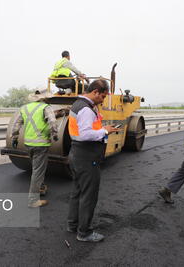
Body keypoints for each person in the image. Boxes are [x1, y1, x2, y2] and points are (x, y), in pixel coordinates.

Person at [66, 79, 118, 242]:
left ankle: (72, 225)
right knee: (89, 196)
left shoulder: (78, 104)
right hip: (86, 157)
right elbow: (85, 134)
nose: (103, 100)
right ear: (95, 92)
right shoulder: (86, 110)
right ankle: (84, 232)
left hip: (76, 154)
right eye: (102, 96)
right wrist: (105, 131)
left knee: (77, 192)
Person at [11, 90, 59, 208]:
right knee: (38, 171)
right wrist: (55, 135)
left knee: (36, 167)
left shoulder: (24, 108)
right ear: (44, 98)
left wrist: (15, 137)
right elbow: (52, 122)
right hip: (41, 144)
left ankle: (41, 188)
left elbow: (16, 124)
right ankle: (33, 200)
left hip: (28, 143)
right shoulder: (46, 107)